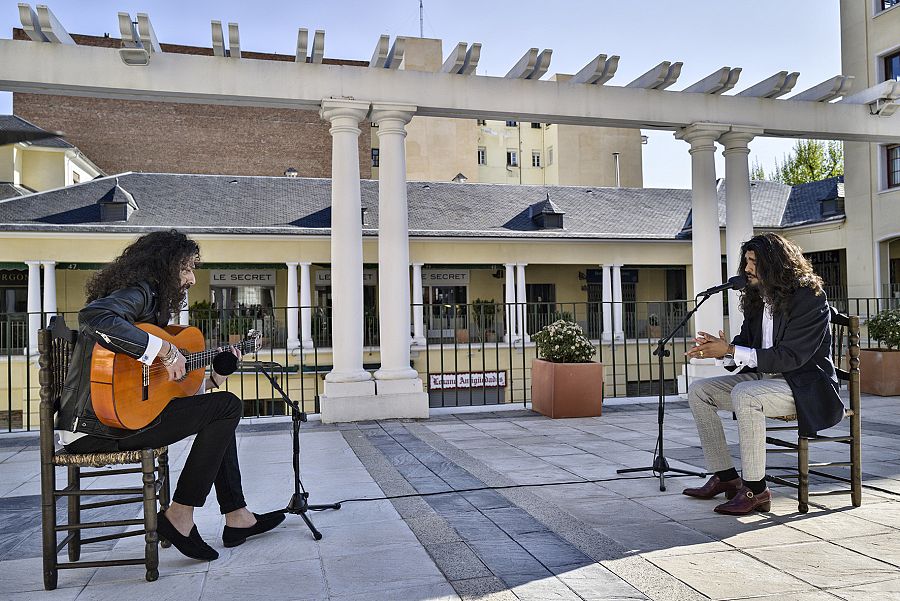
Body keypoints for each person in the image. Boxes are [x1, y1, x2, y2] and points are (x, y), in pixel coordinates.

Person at [56, 229, 284, 560]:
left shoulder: (152, 310)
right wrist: (164, 349)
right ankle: (180, 516)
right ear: (163, 266)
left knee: (220, 409)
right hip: (94, 428)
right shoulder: (139, 293)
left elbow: (159, 390)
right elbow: (94, 317)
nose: (192, 279)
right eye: (186, 268)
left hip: (113, 418)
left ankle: (237, 517)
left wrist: (215, 375)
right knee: (227, 408)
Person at [682, 233, 844, 515]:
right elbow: (746, 346)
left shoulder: (810, 297)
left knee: (745, 394)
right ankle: (726, 476)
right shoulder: (758, 300)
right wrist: (723, 351)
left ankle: (756, 491)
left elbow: (791, 357)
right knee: (700, 391)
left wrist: (732, 349)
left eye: (754, 261)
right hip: (765, 380)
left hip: (804, 385)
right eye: (746, 261)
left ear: (776, 264)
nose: (747, 269)